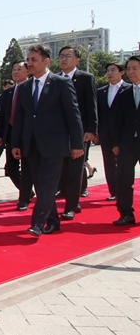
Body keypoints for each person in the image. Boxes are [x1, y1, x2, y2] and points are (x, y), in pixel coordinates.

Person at [11, 45, 83, 238]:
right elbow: (19, 118)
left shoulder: (61, 83)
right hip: (31, 144)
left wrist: (77, 144)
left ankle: (37, 223)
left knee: (48, 184)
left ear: (46, 61)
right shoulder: (24, 87)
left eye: (34, 59)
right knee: (39, 185)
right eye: (28, 60)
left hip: (55, 144)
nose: (29, 63)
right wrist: (16, 143)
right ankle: (52, 220)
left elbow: (73, 114)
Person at [57, 46, 97, 221]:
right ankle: (72, 199)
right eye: (61, 56)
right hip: (58, 133)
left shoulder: (85, 79)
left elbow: (91, 106)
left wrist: (91, 130)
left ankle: (71, 206)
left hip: (79, 133)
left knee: (75, 169)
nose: (64, 59)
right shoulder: (55, 79)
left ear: (77, 60)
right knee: (62, 169)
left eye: (68, 56)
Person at [0, 61, 33, 211]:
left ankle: (23, 199)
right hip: (11, 134)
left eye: (19, 69)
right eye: (14, 69)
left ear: (28, 71)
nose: (16, 72)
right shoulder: (8, 92)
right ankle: (27, 191)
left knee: (27, 167)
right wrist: (0, 135)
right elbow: (3, 116)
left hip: (28, 134)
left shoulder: (32, 88)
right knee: (11, 168)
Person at [110, 55, 139, 226]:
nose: (131, 72)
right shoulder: (124, 93)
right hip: (127, 144)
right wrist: (115, 143)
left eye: (135, 68)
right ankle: (126, 213)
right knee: (123, 180)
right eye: (129, 69)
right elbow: (117, 120)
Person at [95, 61, 130, 202]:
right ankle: (114, 191)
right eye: (108, 70)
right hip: (106, 133)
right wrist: (96, 132)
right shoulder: (101, 91)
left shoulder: (129, 89)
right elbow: (97, 113)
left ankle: (123, 190)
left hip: (123, 134)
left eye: (113, 70)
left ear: (122, 72)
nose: (110, 73)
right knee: (109, 163)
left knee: (123, 163)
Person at [0, 79, 14, 174]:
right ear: (4, 87)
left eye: (11, 87)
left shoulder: (14, 97)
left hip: (9, 129)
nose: (9, 89)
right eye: (8, 87)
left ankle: (7, 168)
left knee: (9, 150)